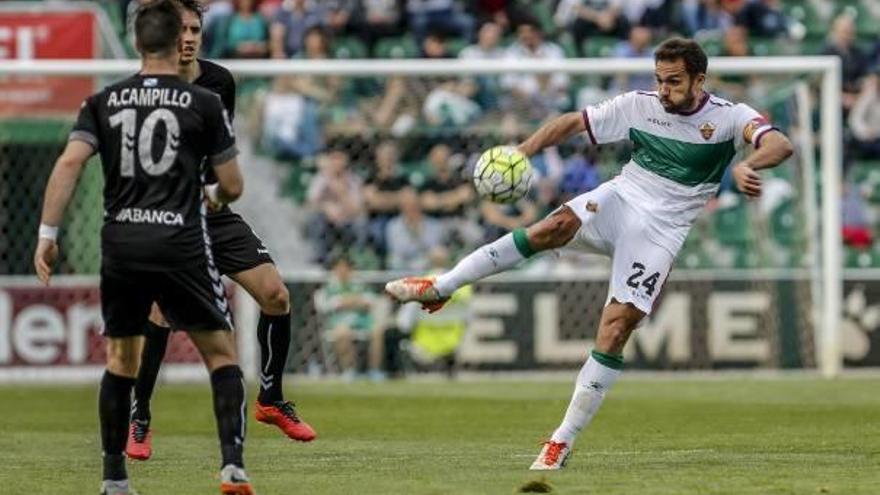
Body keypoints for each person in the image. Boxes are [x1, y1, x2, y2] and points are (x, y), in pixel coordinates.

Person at [385, 37, 793, 471]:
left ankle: (560, 441)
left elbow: (779, 144)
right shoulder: (639, 104)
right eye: (659, 80)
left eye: (674, 82)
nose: (664, 90)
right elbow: (572, 123)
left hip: (661, 231)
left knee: (615, 329)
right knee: (552, 227)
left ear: (699, 80)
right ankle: (440, 286)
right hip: (621, 198)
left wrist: (750, 164)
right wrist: (523, 151)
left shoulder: (730, 117)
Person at [33, 1, 258, 493]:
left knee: (120, 360)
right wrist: (215, 197)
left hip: (123, 245)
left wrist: (48, 236)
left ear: (137, 43)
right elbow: (233, 185)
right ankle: (232, 464)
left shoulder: (103, 102)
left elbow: (69, 165)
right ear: (176, 41)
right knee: (221, 355)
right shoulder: (204, 103)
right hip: (180, 240)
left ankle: (114, 477)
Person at [127, 0, 316, 466]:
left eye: (195, 29)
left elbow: (217, 151)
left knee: (276, 295)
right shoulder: (141, 89)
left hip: (213, 210)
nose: (189, 37)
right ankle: (139, 416)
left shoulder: (219, 82)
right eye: (180, 29)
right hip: (166, 219)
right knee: (158, 312)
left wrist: (215, 189)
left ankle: (271, 398)